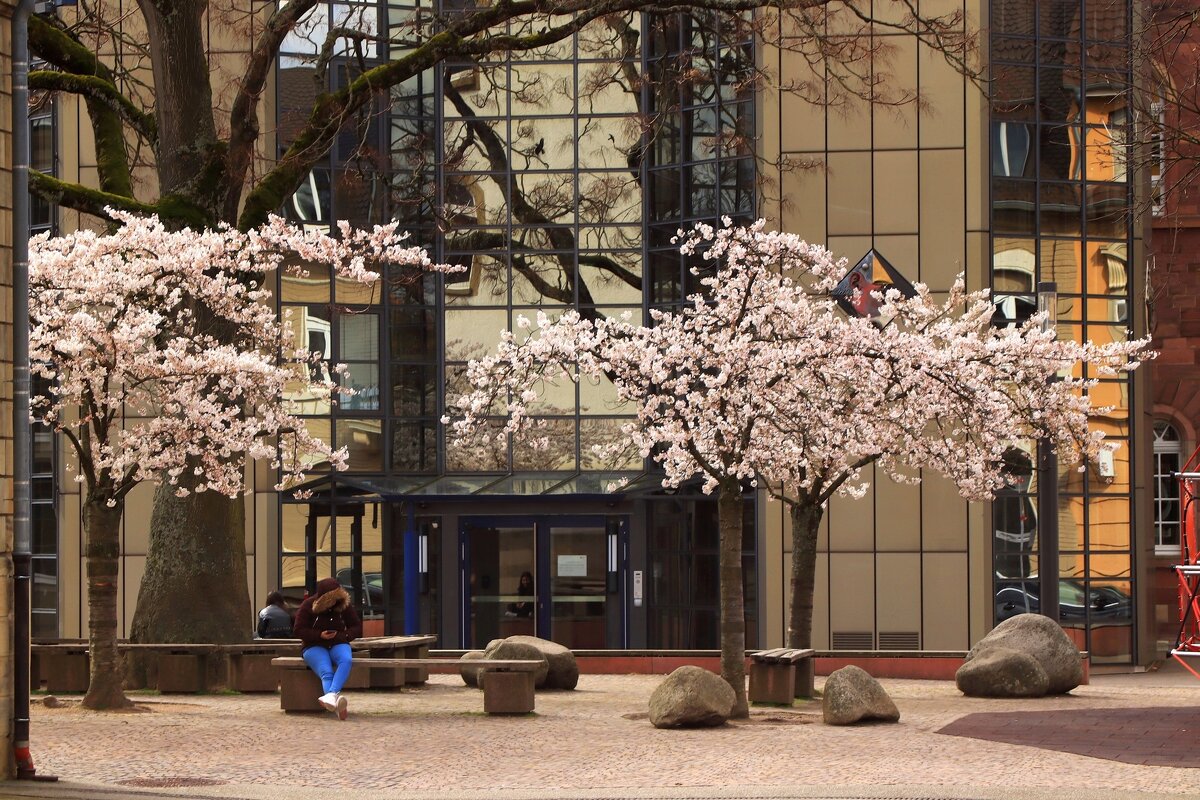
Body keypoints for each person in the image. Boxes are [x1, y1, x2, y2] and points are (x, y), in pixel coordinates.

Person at [292, 577, 362, 720]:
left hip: (338, 642)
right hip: (313, 645)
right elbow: (298, 630)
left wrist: (343, 635)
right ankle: (337, 705)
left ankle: (331, 695)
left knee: (346, 660)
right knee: (326, 671)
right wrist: (319, 635)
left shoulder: (343, 605)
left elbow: (356, 627)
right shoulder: (308, 605)